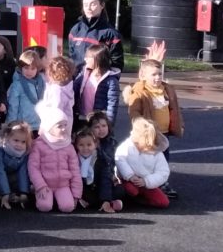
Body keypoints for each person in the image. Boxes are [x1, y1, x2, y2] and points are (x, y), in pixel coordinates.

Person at [124, 57, 184, 200]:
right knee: (148, 158)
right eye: (153, 75)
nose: (157, 78)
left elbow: (175, 109)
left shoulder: (167, 89)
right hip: (148, 134)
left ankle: (162, 182)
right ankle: (144, 181)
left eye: (160, 74)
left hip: (164, 133)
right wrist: (141, 127)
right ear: (143, 75)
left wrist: (179, 124)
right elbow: (134, 112)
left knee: (163, 158)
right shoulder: (140, 92)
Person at [27, 104, 81, 214]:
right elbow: (33, 168)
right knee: (44, 207)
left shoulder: (68, 146)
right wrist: (40, 186)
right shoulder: (38, 145)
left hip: (63, 185)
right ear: (49, 126)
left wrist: (76, 194)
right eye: (59, 126)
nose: (63, 129)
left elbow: (75, 171)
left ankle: (59, 198)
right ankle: (39, 195)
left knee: (68, 207)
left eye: (65, 125)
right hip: (45, 185)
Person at [115, 117, 171, 209]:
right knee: (131, 190)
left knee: (163, 202)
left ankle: (141, 199)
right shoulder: (127, 146)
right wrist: (130, 176)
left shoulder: (157, 152)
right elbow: (120, 159)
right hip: (129, 180)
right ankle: (129, 196)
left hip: (146, 183)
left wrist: (146, 181)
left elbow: (163, 172)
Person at [69, 0, 124, 73]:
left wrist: (105, 81)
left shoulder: (111, 33)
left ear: (102, 5)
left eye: (93, 4)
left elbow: (116, 65)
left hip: (97, 81)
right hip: (76, 80)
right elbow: (71, 56)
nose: (88, 8)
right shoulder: (76, 29)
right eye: (85, 5)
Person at [74, 126, 123, 213]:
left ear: (95, 144)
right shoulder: (74, 159)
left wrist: (105, 200)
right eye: (81, 145)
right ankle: (103, 203)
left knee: (120, 190)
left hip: (98, 188)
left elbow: (105, 180)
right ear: (76, 146)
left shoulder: (100, 158)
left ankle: (106, 203)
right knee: (88, 197)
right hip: (83, 189)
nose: (85, 148)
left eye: (89, 145)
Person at [73, 43, 120, 127]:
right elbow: (73, 89)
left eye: (88, 57)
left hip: (98, 121)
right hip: (82, 118)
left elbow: (112, 104)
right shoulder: (84, 73)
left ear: (97, 59)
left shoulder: (111, 80)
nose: (85, 59)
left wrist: (108, 124)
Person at [6, 49, 45, 133]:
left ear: (37, 69)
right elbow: (13, 106)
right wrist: (11, 125)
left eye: (33, 68)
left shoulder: (41, 83)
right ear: (21, 68)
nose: (29, 71)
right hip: (22, 126)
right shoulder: (17, 85)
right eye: (26, 68)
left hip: (39, 125)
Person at [39, 55, 75, 119]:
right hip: (66, 124)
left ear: (51, 73)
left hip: (55, 126)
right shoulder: (66, 88)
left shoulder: (56, 90)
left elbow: (55, 113)